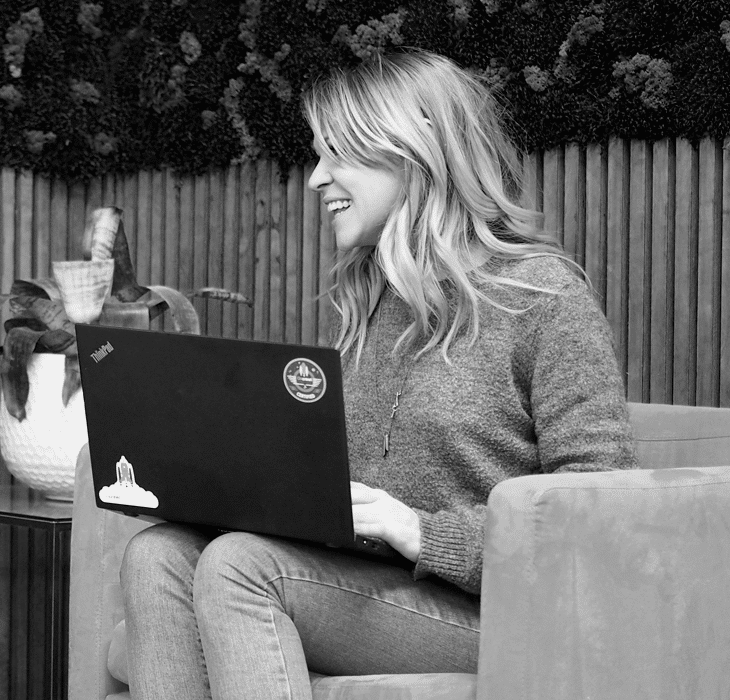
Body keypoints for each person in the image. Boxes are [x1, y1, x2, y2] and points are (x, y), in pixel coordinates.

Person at [119, 49, 637, 699]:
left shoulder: (542, 296)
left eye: (336, 155)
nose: (316, 179)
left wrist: (421, 531)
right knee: (158, 555)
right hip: (373, 579)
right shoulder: (371, 300)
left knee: (240, 566)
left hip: (506, 612)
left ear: (412, 155)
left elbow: (601, 519)